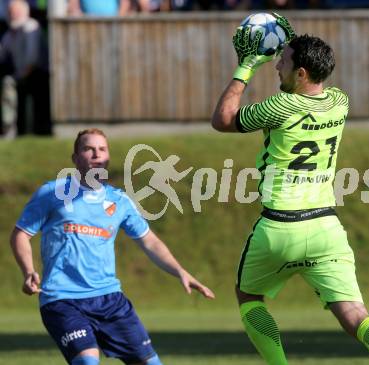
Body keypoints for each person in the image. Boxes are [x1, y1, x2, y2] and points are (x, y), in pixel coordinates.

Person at [211, 15, 369, 365]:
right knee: (357, 317)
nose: (276, 66)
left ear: (301, 73)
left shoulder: (281, 106)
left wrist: (246, 67)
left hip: (279, 228)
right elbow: (309, 97)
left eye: (283, 61)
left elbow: (223, 120)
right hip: (325, 229)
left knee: (249, 297)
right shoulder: (339, 102)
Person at [10, 128, 215, 365]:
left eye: (102, 149)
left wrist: (180, 271)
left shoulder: (119, 201)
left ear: (107, 158)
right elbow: (20, 234)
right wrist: (28, 271)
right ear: (75, 159)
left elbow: (150, 241)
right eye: (88, 149)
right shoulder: (53, 192)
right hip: (62, 299)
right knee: (87, 361)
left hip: (110, 300)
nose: (96, 154)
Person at [0, 0, 51, 135]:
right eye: (11, 12)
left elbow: (31, 59)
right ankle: (9, 128)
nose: (13, 14)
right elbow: (3, 55)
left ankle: (11, 130)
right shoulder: (10, 32)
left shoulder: (31, 27)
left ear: (24, 12)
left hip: (35, 74)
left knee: (8, 84)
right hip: (19, 74)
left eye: (16, 11)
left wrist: (18, 76)